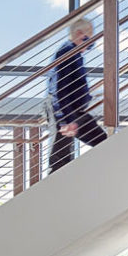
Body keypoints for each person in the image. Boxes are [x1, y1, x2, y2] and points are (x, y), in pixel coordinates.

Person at [48, 16, 108, 173]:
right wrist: (65, 120)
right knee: (61, 157)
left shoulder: (74, 53)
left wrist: (89, 95)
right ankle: (56, 189)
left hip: (74, 111)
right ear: (80, 33)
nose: (92, 42)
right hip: (64, 110)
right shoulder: (67, 51)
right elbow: (59, 88)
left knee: (102, 140)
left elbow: (73, 85)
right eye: (90, 36)